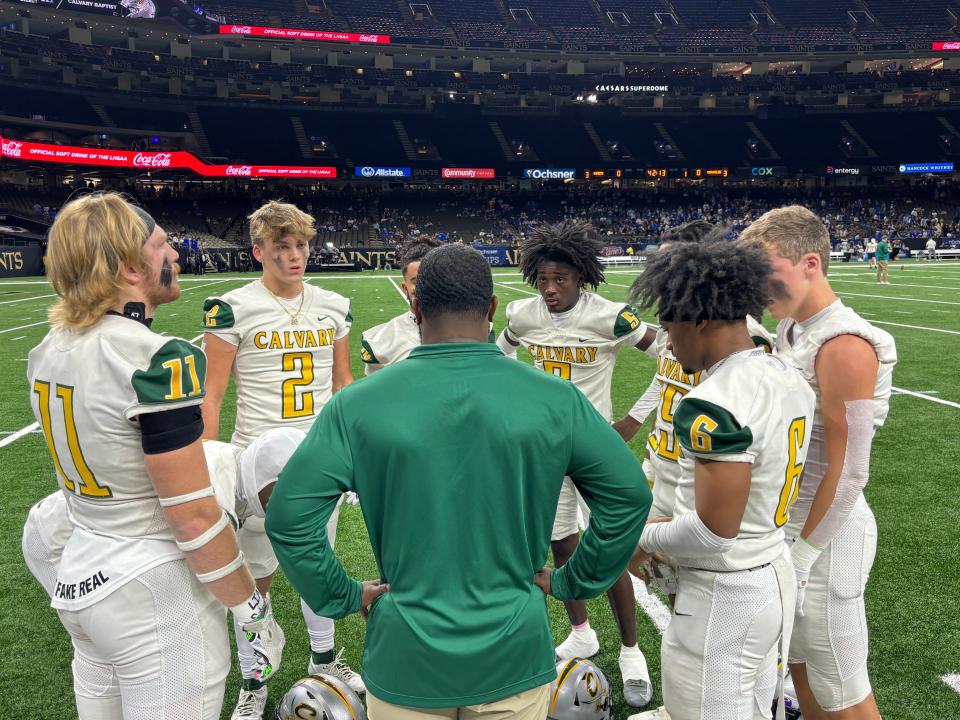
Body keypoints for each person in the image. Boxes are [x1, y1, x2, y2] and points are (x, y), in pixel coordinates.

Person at [266, 243, 652, 720]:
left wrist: (340, 595)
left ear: (417, 306)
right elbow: (629, 496)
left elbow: (288, 518)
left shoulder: (356, 405)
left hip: (407, 653)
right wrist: (578, 579)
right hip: (513, 648)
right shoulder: (556, 399)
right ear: (491, 309)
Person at [25, 193, 281, 720]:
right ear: (127, 266)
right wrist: (249, 606)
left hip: (82, 571)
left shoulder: (48, 348)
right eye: (163, 244)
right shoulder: (154, 357)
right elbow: (190, 515)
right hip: (150, 587)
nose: (177, 253)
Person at [626, 236, 815, 720]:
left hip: (724, 594)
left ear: (699, 320)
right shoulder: (785, 372)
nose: (667, 341)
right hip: (771, 572)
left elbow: (713, 531)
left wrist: (640, 537)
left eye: (670, 326)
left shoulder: (713, 399)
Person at [200, 200, 360, 719]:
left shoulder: (332, 303)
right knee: (255, 578)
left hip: (317, 460)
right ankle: (255, 676)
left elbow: (342, 385)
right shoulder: (232, 306)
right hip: (253, 462)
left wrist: (353, 453)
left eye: (302, 245)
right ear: (259, 251)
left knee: (318, 564)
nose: (296, 256)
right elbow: (213, 395)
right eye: (283, 247)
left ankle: (325, 659)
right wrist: (209, 465)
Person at [741, 205, 897, 720]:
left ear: (811, 263)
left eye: (770, 273)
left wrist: (804, 555)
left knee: (843, 692)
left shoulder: (844, 344)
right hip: (795, 524)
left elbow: (851, 471)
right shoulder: (793, 330)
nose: (761, 287)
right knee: (802, 668)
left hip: (827, 538)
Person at [495, 220, 657, 707]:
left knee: (613, 551)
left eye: (560, 278)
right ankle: (582, 631)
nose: (549, 288)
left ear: (581, 277)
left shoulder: (611, 316)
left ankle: (631, 651)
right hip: (544, 449)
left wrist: (633, 419)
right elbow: (495, 356)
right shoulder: (522, 315)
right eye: (542, 278)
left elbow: (670, 353)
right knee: (561, 544)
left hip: (595, 449)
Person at [360, 238, 441, 374]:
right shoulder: (384, 340)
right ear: (405, 288)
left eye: (434, 278)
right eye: (417, 281)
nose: (426, 286)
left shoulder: (473, 330)